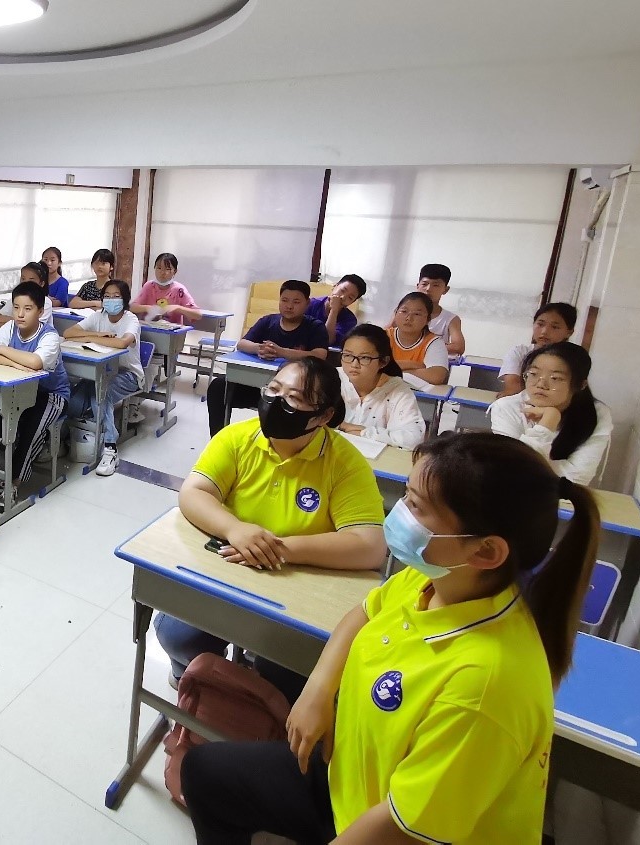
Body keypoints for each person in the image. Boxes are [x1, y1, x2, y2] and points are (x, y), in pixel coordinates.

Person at [180, 431, 599, 845]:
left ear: (486, 552)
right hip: (350, 782)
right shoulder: (434, 579)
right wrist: (318, 690)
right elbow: (363, 614)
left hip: (396, 829)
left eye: (416, 506)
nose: (398, 514)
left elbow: (404, 828)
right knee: (204, 774)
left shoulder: (485, 686)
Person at [155, 358, 387, 685]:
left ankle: (262, 700)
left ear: (323, 416)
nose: (277, 402)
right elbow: (194, 492)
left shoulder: (345, 463)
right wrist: (235, 529)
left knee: (284, 666)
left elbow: (370, 546)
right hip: (226, 567)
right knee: (178, 635)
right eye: (274, 389)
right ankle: (190, 678)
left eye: (294, 398)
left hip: (296, 585)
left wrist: (278, 549)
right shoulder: (237, 437)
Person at [0, 281, 70, 505]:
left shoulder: (49, 336)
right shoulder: (10, 328)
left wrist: (3, 350)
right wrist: (17, 364)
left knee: (31, 427)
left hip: (51, 395)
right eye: (16, 307)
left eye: (27, 309)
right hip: (17, 392)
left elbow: (35, 362)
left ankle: (13, 483)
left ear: (40, 311)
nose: (20, 314)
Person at [205, 280, 329, 436]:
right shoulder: (268, 321)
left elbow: (320, 355)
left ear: (307, 303)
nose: (289, 306)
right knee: (218, 387)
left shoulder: (315, 327)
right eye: (284, 300)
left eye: (296, 302)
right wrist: (259, 348)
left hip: (292, 393)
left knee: (286, 405)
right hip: (257, 387)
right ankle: (218, 439)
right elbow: (242, 343)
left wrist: (282, 352)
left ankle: (280, 442)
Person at [488, 341, 612, 486]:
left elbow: (578, 479)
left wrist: (548, 422)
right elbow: (512, 471)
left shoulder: (597, 413)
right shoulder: (507, 407)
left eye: (555, 378)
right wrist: (548, 422)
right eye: (533, 374)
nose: (541, 384)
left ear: (580, 385)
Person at [63, 280, 145, 477]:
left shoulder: (131, 319)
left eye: (116, 296)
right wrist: (96, 335)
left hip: (128, 375)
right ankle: (74, 436)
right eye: (107, 296)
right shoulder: (98, 316)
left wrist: (88, 337)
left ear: (125, 299)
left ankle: (110, 446)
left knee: (102, 394)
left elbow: (122, 343)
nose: (111, 300)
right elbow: (68, 333)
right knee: (72, 403)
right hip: (99, 373)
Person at [336, 324, 425, 449]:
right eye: (348, 355)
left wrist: (363, 432)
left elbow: (414, 439)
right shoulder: (332, 378)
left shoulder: (398, 391)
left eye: (365, 358)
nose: (354, 364)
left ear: (383, 361)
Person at [498, 302, 578, 398]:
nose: (544, 332)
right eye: (540, 324)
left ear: (569, 332)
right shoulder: (520, 352)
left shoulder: (574, 359)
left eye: (555, 327)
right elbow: (513, 388)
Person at [388, 263, 464, 356]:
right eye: (424, 284)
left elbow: (458, 347)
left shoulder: (450, 319)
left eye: (435, 285)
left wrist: (422, 347)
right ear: (417, 286)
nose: (428, 289)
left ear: (445, 289)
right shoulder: (402, 311)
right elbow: (384, 336)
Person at [386, 292, 450, 387]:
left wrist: (395, 370)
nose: (409, 318)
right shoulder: (382, 336)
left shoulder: (434, 342)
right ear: (395, 313)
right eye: (404, 311)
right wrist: (414, 364)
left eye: (417, 314)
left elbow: (437, 376)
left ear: (428, 319)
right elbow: (372, 367)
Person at [131, 252, 203, 324]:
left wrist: (177, 308)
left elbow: (198, 315)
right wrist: (147, 308)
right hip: (149, 328)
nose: (163, 272)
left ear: (175, 271)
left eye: (167, 269)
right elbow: (132, 307)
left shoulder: (179, 290)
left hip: (171, 330)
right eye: (159, 268)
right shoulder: (149, 286)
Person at [304, 274, 365, 348]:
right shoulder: (309, 305)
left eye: (350, 297)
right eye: (342, 291)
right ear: (335, 286)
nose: (343, 297)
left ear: (352, 302)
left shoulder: (349, 320)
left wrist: (334, 311)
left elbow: (326, 341)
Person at [0, 261, 54, 328]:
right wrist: (15, 323)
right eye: (23, 279)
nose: (26, 283)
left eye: (31, 280)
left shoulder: (46, 302)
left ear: (41, 284)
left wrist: (7, 320)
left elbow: (32, 327)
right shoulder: (17, 298)